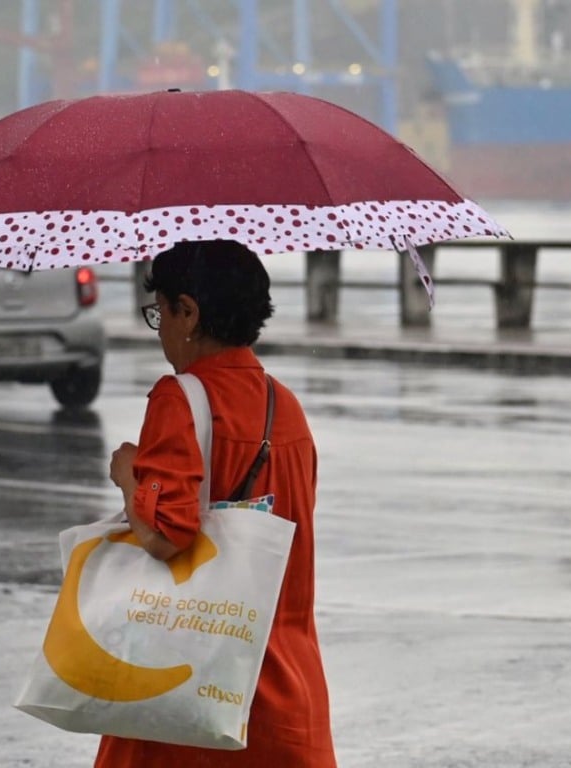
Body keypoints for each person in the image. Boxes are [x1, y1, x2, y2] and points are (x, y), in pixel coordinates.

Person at [98, 240, 337, 767]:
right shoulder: (285, 406)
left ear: (189, 312)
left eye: (160, 312)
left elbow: (166, 536)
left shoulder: (180, 399)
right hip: (286, 687)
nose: (159, 328)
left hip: (194, 692)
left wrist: (128, 477)